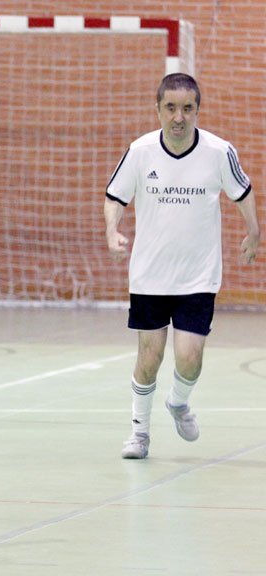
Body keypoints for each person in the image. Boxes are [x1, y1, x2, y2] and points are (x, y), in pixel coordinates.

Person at [105, 72, 258, 460]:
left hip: (198, 276)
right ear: (157, 108)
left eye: (187, 108)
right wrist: (112, 230)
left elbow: (242, 191)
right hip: (149, 275)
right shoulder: (140, 151)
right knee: (149, 357)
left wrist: (254, 230)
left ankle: (178, 402)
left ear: (197, 110)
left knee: (190, 360)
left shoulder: (218, 152)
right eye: (171, 107)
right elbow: (115, 197)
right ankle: (139, 433)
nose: (178, 117)